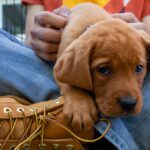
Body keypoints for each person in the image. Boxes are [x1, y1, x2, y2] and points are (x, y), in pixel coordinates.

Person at [0, 0, 150, 149]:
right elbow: (27, 52)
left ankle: (97, 133)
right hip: (55, 69)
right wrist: (39, 41)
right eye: (104, 69)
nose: (128, 99)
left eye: (138, 69)